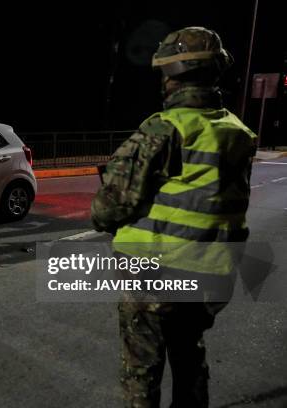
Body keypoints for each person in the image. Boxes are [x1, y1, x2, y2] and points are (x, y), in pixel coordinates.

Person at [91, 27, 257, 407]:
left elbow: (108, 208)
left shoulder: (165, 129)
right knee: (189, 357)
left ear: (173, 73)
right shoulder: (238, 132)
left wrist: (104, 212)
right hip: (211, 276)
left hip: (153, 273)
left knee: (142, 368)